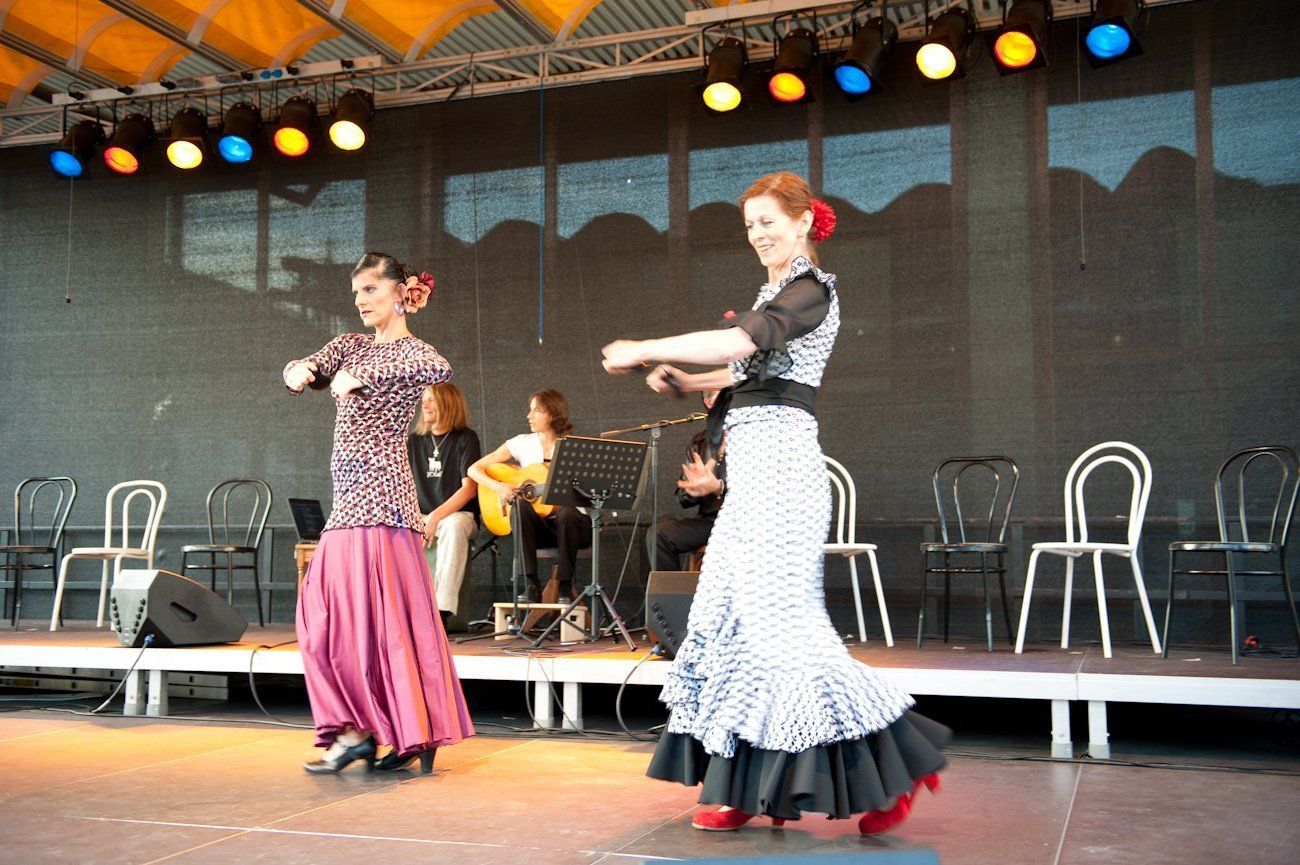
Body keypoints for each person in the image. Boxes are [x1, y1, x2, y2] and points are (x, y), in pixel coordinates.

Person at [601, 173, 949, 835]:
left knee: (784, 633)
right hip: (753, 479)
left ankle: (897, 765)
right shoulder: (774, 294)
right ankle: (751, 786)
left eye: (768, 221)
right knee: (727, 625)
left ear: (803, 222)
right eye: (750, 224)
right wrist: (685, 381)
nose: (757, 233)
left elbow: (739, 344)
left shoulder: (812, 290)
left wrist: (646, 346)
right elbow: (742, 370)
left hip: (785, 476)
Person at [283, 252, 474, 775]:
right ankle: (362, 732)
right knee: (325, 620)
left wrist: (363, 377)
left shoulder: (414, 352)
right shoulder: (350, 344)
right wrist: (299, 370)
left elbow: (439, 368)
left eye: (369, 290)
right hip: (349, 496)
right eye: (356, 293)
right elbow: (315, 363)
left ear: (400, 293)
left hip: (382, 497)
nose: (360, 301)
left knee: (380, 623)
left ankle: (396, 731)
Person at [467, 389, 591, 604]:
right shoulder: (521, 443)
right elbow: (473, 469)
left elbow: (588, 489)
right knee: (520, 506)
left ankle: (565, 584)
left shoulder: (574, 446)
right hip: (538, 529)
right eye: (530, 410)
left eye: (536, 410)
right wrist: (498, 487)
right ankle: (530, 583)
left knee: (566, 512)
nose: (529, 416)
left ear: (552, 413)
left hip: (574, 528)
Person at [408, 382, 481, 629]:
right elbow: (401, 486)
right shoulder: (414, 442)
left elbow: (469, 489)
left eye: (431, 399)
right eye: (423, 400)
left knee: (454, 525)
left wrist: (435, 517)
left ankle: (441, 611)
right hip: (421, 516)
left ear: (447, 403)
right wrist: (415, 518)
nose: (424, 405)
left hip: (458, 516)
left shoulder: (465, 438)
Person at [648, 391, 725, 571]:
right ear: (708, 402)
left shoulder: (753, 437)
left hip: (749, 520)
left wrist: (719, 487)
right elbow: (682, 499)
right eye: (722, 393)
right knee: (659, 534)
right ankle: (669, 590)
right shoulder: (699, 442)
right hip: (711, 521)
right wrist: (692, 490)